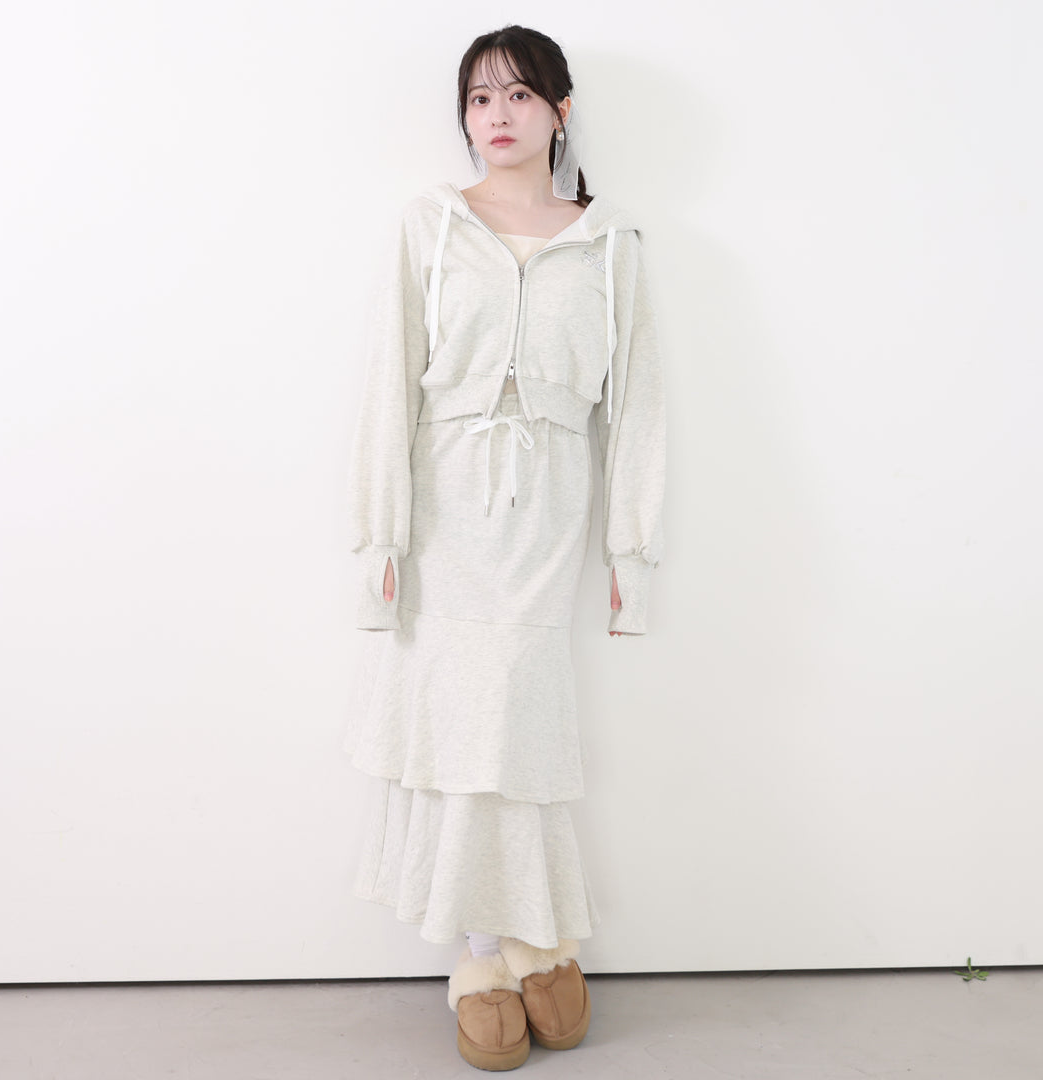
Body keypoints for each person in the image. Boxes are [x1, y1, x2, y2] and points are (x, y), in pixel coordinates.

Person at [344, 24, 666, 1071]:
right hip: (446, 508)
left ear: (560, 112)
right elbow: (387, 383)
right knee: (463, 723)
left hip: (547, 506)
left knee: (516, 715)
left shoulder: (610, 242)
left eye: (520, 95)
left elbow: (639, 407)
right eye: (480, 98)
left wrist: (630, 552)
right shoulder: (430, 225)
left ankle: (515, 940)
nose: (497, 115)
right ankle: (504, 951)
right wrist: (381, 532)